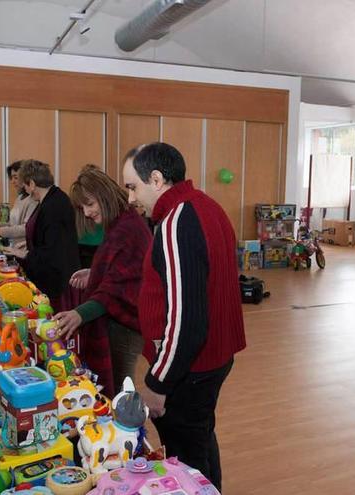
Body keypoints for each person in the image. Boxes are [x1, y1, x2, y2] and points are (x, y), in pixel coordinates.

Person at [122, 142, 246, 490]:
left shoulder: (177, 221)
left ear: (157, 179)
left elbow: (186, 319)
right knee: (200, 439)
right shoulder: (203, 205)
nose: (131, 198)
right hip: (210, 359)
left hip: (189, 367)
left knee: (186, 456)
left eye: (133, 186)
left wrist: (158, 383)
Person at [53, 165, 152, 396]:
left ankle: (126, 431)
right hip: (120, 323)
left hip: (126, 326)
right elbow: (118, 271)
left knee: (119, 391)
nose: (86, 213)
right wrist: (94, 272)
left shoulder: (125, 228)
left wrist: (79, 314)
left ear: (104, 195)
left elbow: (117, 287)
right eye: (82, 207)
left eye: (90, 204)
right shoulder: (121, 222)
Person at [19, 160, 80, 303]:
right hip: (53, 275)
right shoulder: (50, 199)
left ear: (32, 184)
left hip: (56, 280)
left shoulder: (53, 205)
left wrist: (26, 254)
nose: (26, 192)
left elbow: (53, 249)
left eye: (26, 186)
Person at [0, 160, 39, 260]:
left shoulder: (33, 200)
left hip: (25, 251)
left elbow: (25, 228)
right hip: (15, 250)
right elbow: (13, 224)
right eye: (11, 178)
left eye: (16, 177)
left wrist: (0, 231)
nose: (13, 181)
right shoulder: (20, 198)